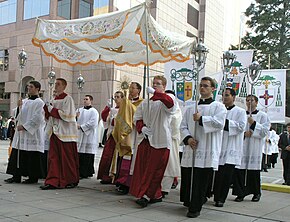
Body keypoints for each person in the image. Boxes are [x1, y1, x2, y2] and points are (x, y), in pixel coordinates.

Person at [180, 76, 227, 218]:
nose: (202, 88)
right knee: (189, 177)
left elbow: (220, 124)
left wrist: (201, 119)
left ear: (213, 89)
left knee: (201, 179)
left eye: (206, 86)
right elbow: (182, 126)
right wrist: (188, 139)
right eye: (201, 85)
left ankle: (196, 207)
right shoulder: (190, 107)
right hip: (191, 148)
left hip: (206, 148)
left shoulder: (218, 107)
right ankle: (190, 201)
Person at [130, 75, 176, 208]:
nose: (155, 85)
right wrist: (142, 128)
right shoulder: (145, 102)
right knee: (145, 168)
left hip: (161, 140)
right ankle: (154, 194)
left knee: (156, 170)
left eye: (158, 84)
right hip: (146, 140)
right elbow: (137, 117)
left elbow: (170, 105)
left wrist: (157, 94)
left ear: (164, 87)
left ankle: (147, 195)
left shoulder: (168, 98)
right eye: (154, 83)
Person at [40, 78, 79, 190]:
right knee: (53, 158)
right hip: (55, 131)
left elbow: (68, 115)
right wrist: (46, 109)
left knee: (67, 158)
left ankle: (69, 179)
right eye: (55, 84)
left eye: (58, 84)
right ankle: (53, 180)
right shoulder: (53, 99)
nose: (56, 86)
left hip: (65, 133)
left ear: (64, 86)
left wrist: (51, 109)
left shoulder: (68, 99)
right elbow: (48, 117)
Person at [4, 81, 46, 184]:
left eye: (31, 87)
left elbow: (38, 118)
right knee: (18, 153)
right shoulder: (24, 101)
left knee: (32, 155)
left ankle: (32, 177)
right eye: (28, 87)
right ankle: (16, 176)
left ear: (37, 89)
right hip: (21, 133)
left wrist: (25, 126)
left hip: (32, 133)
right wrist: (19, 107)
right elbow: (17, 114)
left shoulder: (40, 102)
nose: (28, 88)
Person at [232, 95, 270, 202]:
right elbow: (236, 127)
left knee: (253, 172)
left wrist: (253, 124)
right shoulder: (241, 114)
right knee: (240, 171)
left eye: (251, 100)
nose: (249, 102)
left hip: (255, 147)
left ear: (256, 102)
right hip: (242, 145)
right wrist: (244, 133)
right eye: (247, 100)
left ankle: (256, 193)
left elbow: (265, 131)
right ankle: (240, 193)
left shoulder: (263, 115)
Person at [213, 88, 247, 207]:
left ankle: (221, 198)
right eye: (223, 95)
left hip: (231, 148)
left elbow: (241, 127)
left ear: (233, 97)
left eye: (227, 95)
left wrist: (224, 122)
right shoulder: (219, 109)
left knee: (225, 176)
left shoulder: (240, 112)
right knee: (216, 175)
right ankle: (214, 195)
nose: (224, 98)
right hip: (218, 146)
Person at [114, 82, 143, 194]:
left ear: (138, 90)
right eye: (130, 87)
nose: (130, 90)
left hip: (135, 133)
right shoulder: (125, 102)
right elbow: (120, 116)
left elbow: (139, 115)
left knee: (133, 158)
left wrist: (128, 106)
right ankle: (122, 182)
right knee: (125, 157)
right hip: (125, 133)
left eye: (133, 88)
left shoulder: (142, 102)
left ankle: (130, 183)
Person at [97, 91, 124, 184]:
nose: (116, 99)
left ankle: (116, 177)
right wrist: (107, 107)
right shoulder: (112, 110)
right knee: (107, 156)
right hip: (112, 135)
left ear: (122, 98)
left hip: (120, 137)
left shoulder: (125, 110)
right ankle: (106, 176)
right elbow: (105, 119)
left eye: (118, 97)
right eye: (115, 97)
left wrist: (116, 120)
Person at [161, 90, 182, 197]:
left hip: (171, 140)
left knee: (169, 164)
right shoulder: (161, 107)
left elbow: (176, 123)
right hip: (160, 139)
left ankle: (165, 188)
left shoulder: (176, 109)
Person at [77, 95, 99, 179]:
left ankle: (87, 172)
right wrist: (75, 117)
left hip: (89, 135)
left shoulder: (94, 111)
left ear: (91, 101)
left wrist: (82, 127)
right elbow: (73, 120)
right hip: (80, 135)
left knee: (88, 154)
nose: (85, 101)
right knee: (80, 154)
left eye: (87, 99)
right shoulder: (79, 110)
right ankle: (80, 171)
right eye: (84, 99)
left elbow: (93, 123)